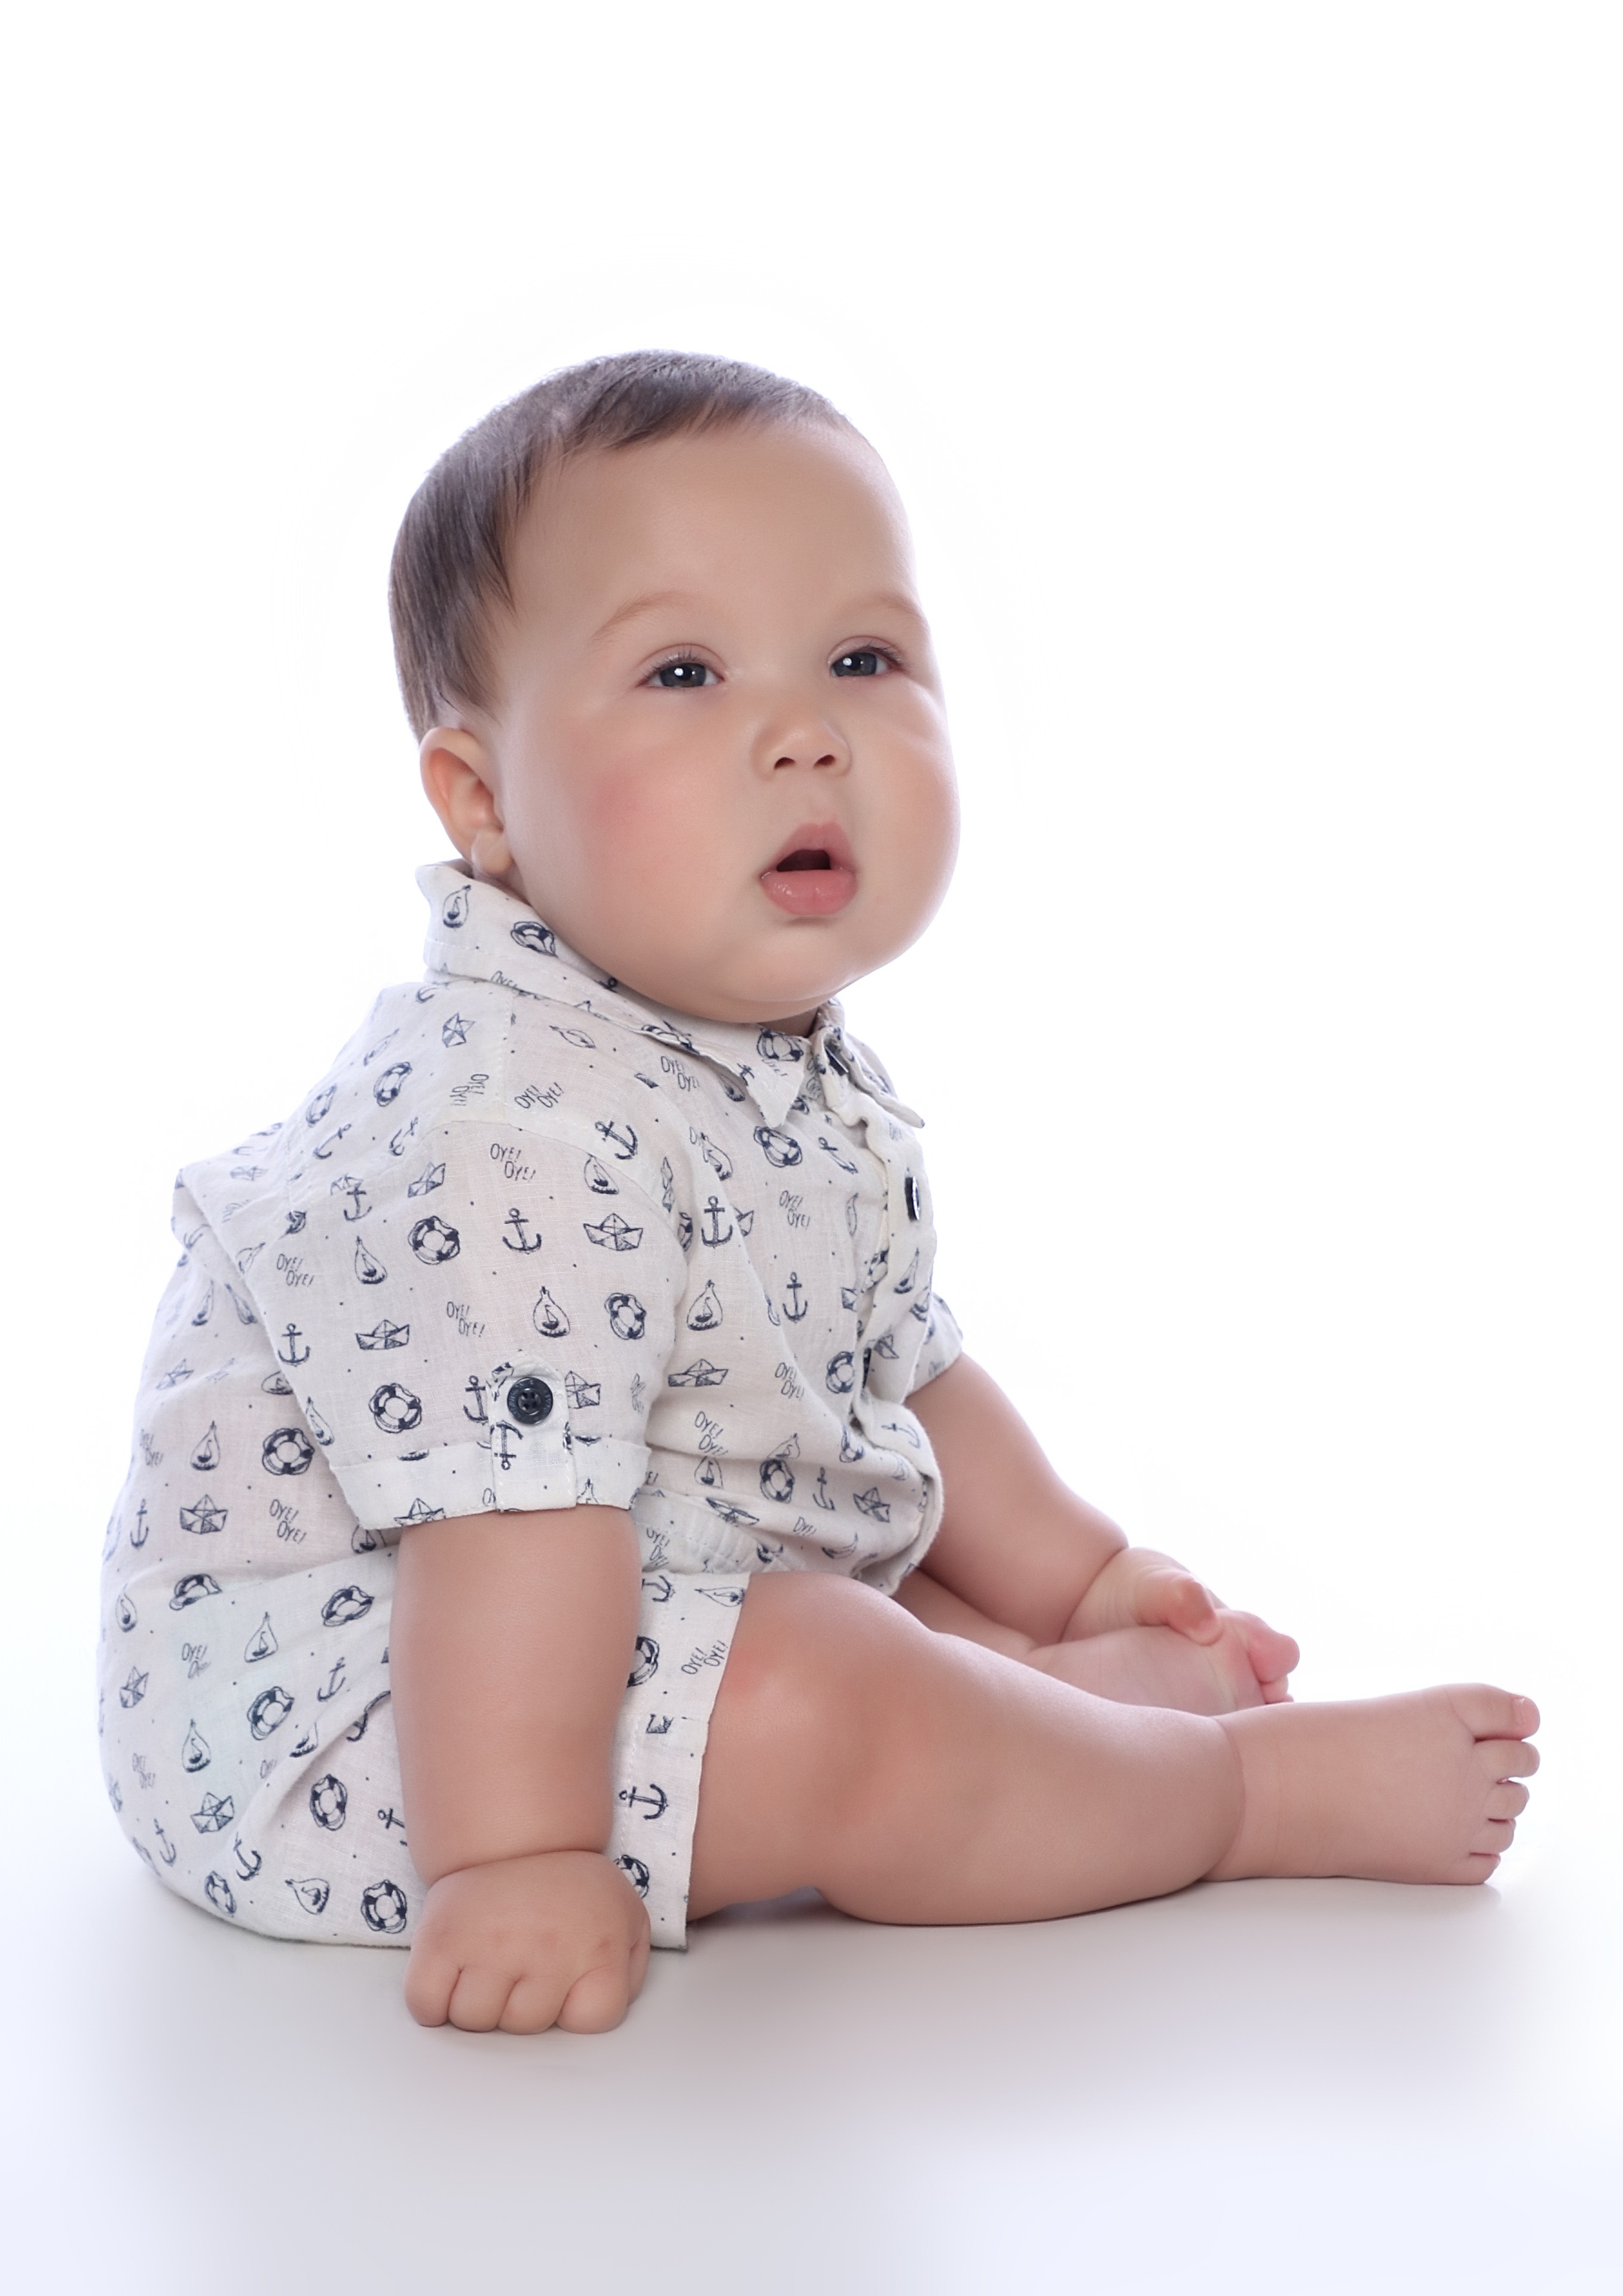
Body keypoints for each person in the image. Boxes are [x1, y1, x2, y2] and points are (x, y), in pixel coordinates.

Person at [99, 352, 1538, 2034]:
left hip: (620, 1596)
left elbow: (898, 1366)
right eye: (684, 672)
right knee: (832, 1689)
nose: (806, 733)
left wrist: (1074, 1577)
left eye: (863, 659)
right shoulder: (504, 1131)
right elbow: (507, 1534)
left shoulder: (764, 1065)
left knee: (875, 1565)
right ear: (485, 802)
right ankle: (1234, 1798)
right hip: (378, 1724)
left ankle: (1052, 1699)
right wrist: (515, 1860)